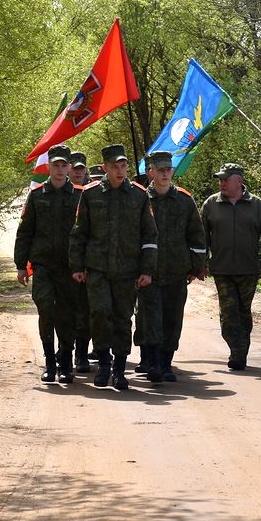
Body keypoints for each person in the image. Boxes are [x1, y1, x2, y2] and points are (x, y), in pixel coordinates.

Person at [69, 144, 158, 391]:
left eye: (123, 166)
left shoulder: (139, 196)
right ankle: (104, 363)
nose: (120, 171)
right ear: (105, 167)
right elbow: (79, 234)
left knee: (122, 318)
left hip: (127, 271)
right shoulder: (90, 194)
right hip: (97, 269)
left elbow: (150, 236)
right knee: (99, 314)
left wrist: (147, 270)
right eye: (115, 166)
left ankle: (119, 369)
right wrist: (77, 265)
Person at [200, 163, 261, 370]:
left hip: (248, 269)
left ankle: (241, 349)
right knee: (228, 312)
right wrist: (199, 263)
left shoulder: (257, 205)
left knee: (243, 311)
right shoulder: (211, 204)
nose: (221, 183)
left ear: (239, 180)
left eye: (225, 179)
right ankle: (236, 351)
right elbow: (201, 238)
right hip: (222, 270)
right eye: (220, 179)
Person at [133, 151, 207, 383]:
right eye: (161, 169)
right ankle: (153, 362)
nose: (166, 173)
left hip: (177, 272)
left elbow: (196, 236)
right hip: (149, 272)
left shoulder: (184, 200)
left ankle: (166, 363)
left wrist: (196, 268)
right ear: (150, 171)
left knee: (172, 320)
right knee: (150, 317)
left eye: (169, 169)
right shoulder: (139, 199)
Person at [14, 143, 81, 384]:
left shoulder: (80, 196)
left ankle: (65, 361)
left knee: (67, 314)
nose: (61, 169)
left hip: (70, 267)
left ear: (69, 167)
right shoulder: (36, 195)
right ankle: (49, 361)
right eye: (56, 165)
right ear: (49, 167)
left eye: (64, 165)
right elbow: (25, 232)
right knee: (45, 308)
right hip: (43, 264)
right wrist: (21, 265)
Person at [68, 151, 94, 373]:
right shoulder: (62, 192)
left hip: (88, 263)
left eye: (81, 168)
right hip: (62, 262)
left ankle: (82, 354)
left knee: (85, 312)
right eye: (74, 167)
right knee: (65, 311)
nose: (78, 171)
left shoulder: (92, 194)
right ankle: (64, 350)